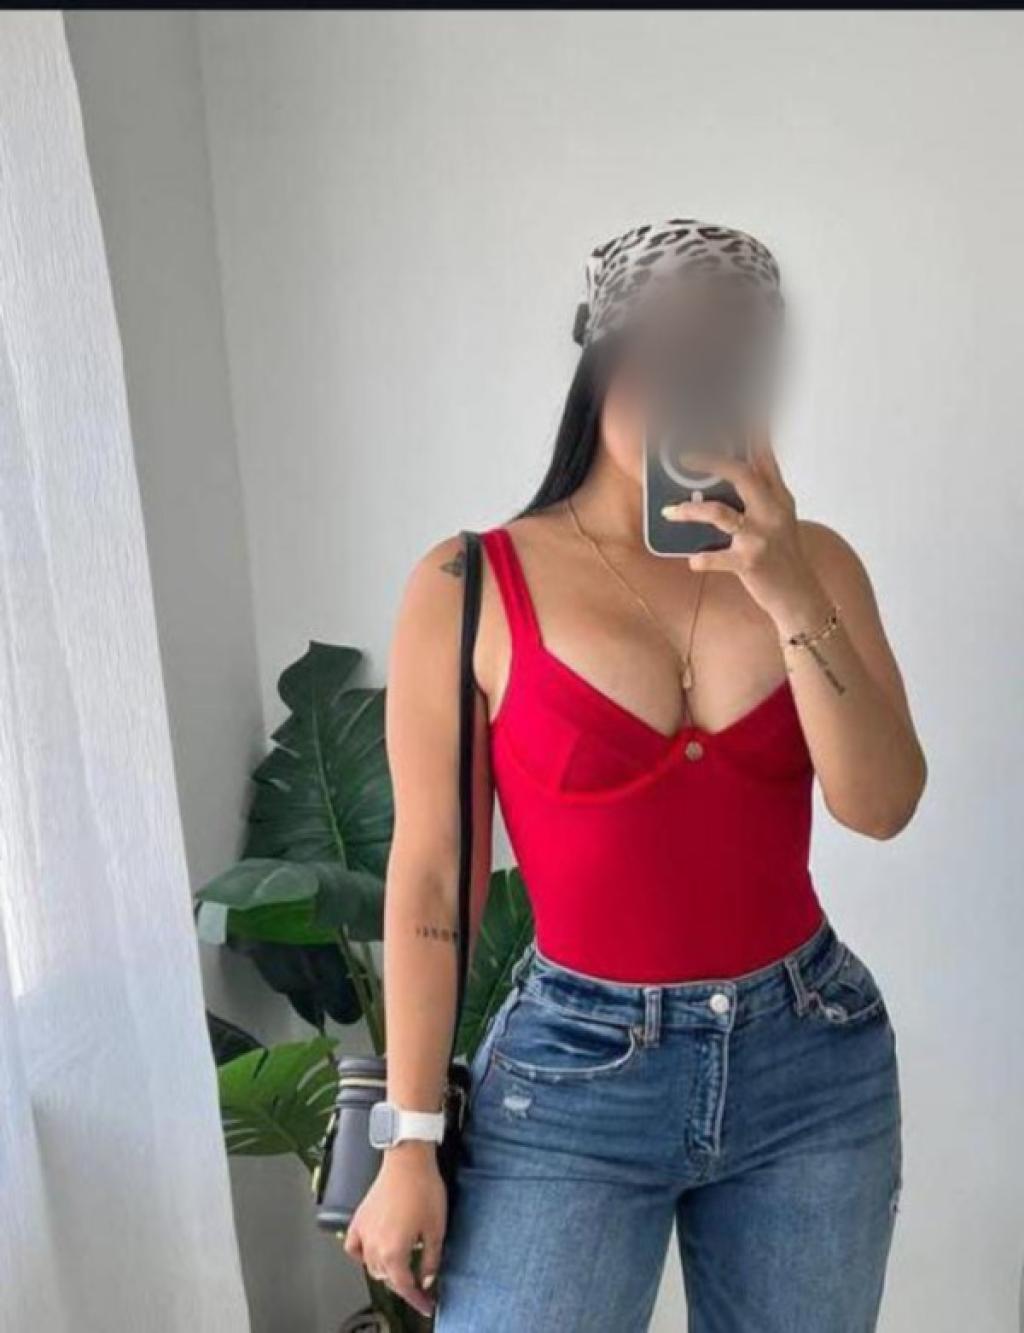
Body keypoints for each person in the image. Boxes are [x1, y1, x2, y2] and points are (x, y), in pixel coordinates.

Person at [343, 220, 926, 1332]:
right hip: (571, 1077)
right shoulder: (470, 583)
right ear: (605, 358)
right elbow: (431, 879)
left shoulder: (816, 564)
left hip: (812, 1063)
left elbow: (882, 803)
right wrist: (409, 1139)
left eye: (732, 362)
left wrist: (788, 589)